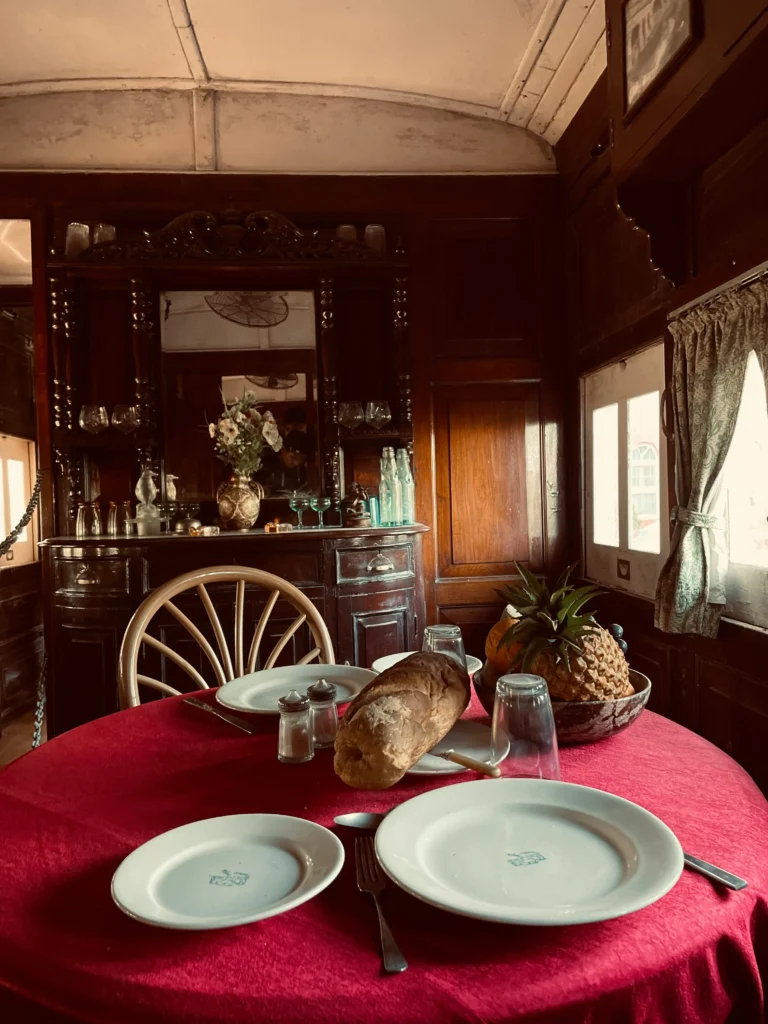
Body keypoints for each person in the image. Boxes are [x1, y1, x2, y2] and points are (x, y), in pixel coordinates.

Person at [258, 430, 310, 495]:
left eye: (301, 459)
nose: (296, 463)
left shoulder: (301, 473)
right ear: (283, 450)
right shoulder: (267, 464)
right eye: (292, 457)